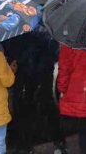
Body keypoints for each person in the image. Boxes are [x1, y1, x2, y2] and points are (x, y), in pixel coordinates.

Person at [4, 21, 68, 154]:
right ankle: (28, 144)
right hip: (26, 70)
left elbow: (52, 47)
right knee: (24, 108)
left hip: (39, 70)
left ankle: (57, 142)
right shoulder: (18, 24)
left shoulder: (35, 24)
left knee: (43, 105)